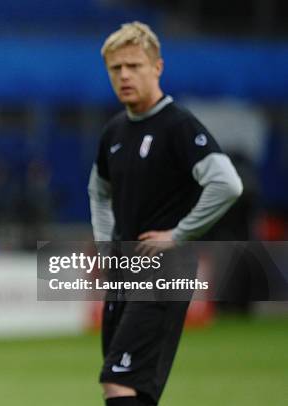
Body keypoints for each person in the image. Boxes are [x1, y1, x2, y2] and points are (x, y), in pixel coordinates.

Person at [88, 22, 243, 406]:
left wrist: (178, 235)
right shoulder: (115, 131)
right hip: (126, 269)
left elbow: (227, 183)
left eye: (134, 66)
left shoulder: (178, 125)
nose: (124, 75)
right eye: (115, 68)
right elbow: (98, 191)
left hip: (164, 269)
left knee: (118, 381)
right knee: (132, 385)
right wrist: (109, 247)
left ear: (157, 68)